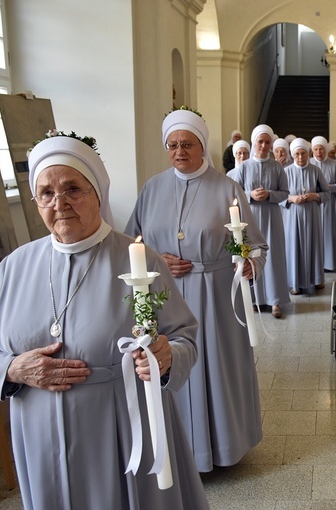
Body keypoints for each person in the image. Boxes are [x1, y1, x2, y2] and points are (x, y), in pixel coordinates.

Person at [0, 133, 209, 509]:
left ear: (97, 193)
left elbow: (183, 336)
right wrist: (10, 368)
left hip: (121, 429)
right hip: (38, 435)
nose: (60, 203)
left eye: (73, 189)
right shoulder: (13, 269)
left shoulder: (139, 259)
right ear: (36, 201)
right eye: (46, 193)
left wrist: (167, 356)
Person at [126, 109, 268, 472]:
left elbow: (253, 244)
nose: (179, 151)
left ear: (202, 146)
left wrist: (248, 263)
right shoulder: (152, 188)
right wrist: (157, 261)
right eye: (172, 145)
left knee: (214, 369)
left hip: (216, 296)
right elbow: (133, 242)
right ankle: (177, 450)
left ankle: (221, 447)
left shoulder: (226, 188)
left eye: (186, 144)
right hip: (165, 299)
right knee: (168, 365)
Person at [227, 124, 290, 314]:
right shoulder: (244, 167)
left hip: (272, 218)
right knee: (251, 255)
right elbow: (235, 196)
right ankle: (253, 299)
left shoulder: (277, 167)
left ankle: (275, 300)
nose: (263, 146)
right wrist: (250, 195)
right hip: (250, 218)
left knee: (273, 257)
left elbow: (285, 193)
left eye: (267, 142)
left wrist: (269, 194)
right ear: (254, 143)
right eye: (260, 142)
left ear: (271, 144)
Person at [282, 138, 330, 296]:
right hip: (293, 216)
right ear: (292, 154)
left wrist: (315, 196)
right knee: (294, 247)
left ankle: (316, 280)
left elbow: (327, 193)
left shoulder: (316, 170)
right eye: (297, 154)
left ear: (308, 154)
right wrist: (291, 198)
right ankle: (295, 283)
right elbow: (279, 195)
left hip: (312, 216)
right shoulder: (286, 171)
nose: (301, 157)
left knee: (313, 245)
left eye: (303, 153)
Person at [311, 135, 336, 272]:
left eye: (321, 149)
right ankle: (315, 264)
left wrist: (328, 188)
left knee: (329, 234)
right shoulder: (309, 164)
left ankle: (330, 263)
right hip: (313, 205)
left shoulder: (334, 164)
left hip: (330, 204)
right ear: (313, 150)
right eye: (316, 149)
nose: (319, 152)